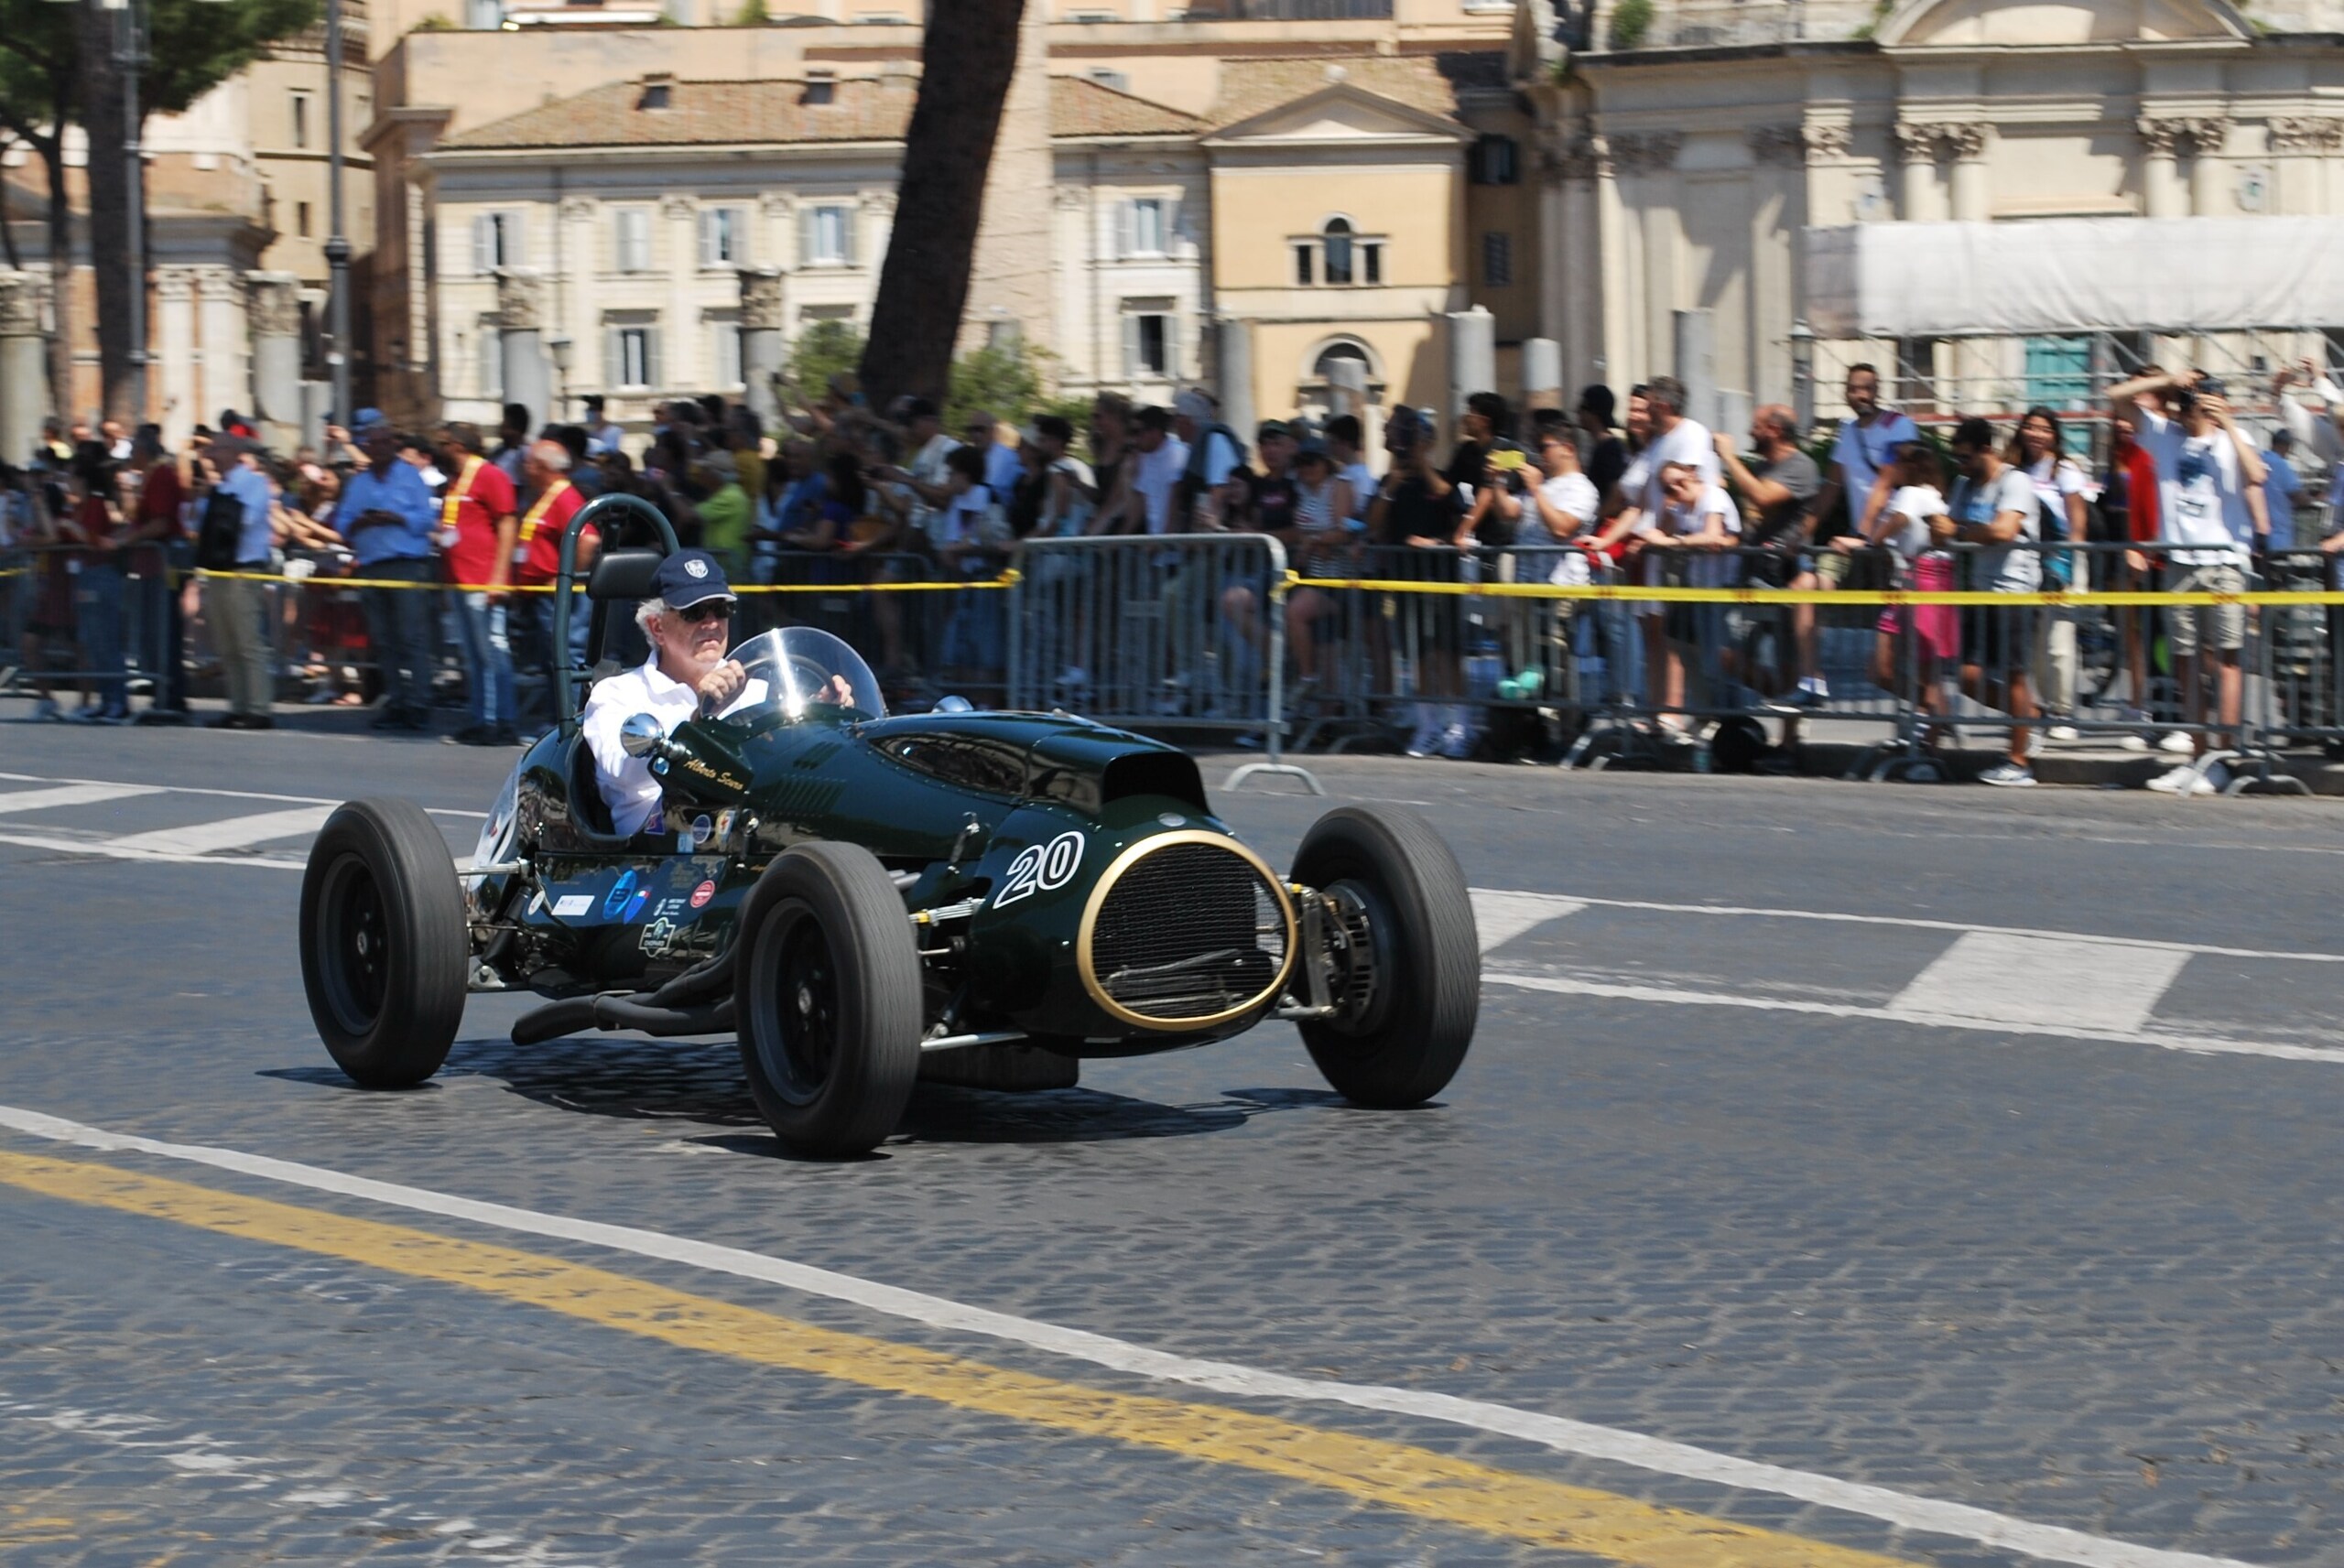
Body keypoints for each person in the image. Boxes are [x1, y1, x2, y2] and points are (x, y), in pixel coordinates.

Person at [2106, 369, 2267, 793]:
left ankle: (2224, 756)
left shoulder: (2235, 439)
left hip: (2224, 561)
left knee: (2228, 659)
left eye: (2192, 399)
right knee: (2186, 659)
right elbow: (2116, 396)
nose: (2184, 407)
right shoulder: (2164, 434)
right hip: (2180, 562)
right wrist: (2163, 380)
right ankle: (2198, 755)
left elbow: (2257, 476)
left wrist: (2226, 421)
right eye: (2183, 399)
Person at [581, 550, 747, 838]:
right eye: (694, 613)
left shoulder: (753, 686)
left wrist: (826, 710)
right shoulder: (616, 694)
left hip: (747, 830)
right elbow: (624, 769)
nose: (711, 623)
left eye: (721, 609)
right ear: (657, 627)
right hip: (656, 853)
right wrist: (697, 719)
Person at [1933, 416, 2043, 787]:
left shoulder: (2015, 481)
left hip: (2014, 589)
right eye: (1956, 460)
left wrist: (1959, 529)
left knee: (2013, 674)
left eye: (1965, 458)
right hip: (1979, 589)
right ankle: (2031, 717)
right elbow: (1948, 528)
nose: (1960, 466)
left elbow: (2003, 530)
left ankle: (2018, 759)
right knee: (1967, 676)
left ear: (1986, 450)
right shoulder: (1964, 485)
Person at [1713, 405, 1823, 708]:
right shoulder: (1760, 469)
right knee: (1729, 656)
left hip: (1786, 575)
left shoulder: (1801, 466)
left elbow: (1762, 496)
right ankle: (1780, 699)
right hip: (1753, 576)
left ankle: (1788, 745)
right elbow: (1754, 512)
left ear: (1774, 430)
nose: (1751, 432)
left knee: (1789, 663)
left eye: (1756, 426)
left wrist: (1728, 456)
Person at [336, 422, 442, 732]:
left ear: (393, 446)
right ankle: (396, 701)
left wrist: (396, 517)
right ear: (367, 447)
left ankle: (420, 703)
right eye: (374, 443)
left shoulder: (410, 477)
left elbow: (426, 520)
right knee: (384, 641)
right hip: (371, 565)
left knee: (412, 638)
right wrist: (360, 523)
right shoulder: (359, 483)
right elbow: (341, 522)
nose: (379, 448)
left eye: (385, 443)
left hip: (407, 566)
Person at [1847, 443, 1955, 740]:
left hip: (1924, 582)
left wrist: (1866, 543)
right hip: (1913, 582)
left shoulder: (1913, 493)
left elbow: (1895, 524)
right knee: (1883, 668)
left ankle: (1931, 737)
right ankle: (1935, 717)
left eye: (1893, 463)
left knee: (1922, 667)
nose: (1887, 469)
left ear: (1910, 467)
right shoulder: (1930, 494)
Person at [1634, 460, 1739, 736]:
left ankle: (1728, 718)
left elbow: (1712, 535)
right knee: (1681, 645)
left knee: (1713, 656)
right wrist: (1668, 514)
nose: (1677, 489)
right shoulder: (1681, 504)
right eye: (1669, 487)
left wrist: (1670, 542)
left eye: (1681, 482)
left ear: (1693, 474)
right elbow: (1663, 533)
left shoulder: (1713, 496)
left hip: (1720, 589)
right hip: (1693, 588)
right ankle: (1705, 712)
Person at [435, 422, 520, 746]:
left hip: (482, 579)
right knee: (474, 655)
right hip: (461, 581)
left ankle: (502, 720)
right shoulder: (456, 481)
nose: (439, 449)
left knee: (493, 651)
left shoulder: (490, 475)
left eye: (443, 443)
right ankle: (482, 717)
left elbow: (507, 523)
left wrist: (499, 578)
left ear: (457, 445)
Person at [199, 436, 282, 729]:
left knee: (248, 642)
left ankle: (259, 708)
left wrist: (221, 513)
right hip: (220, 570)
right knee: (227, 643)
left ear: (234, 452)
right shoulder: (219, 488)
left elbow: (244, 520)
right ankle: (238, 705)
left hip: (244, 570)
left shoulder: (253, 483)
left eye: (217, 448)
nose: (211, 454)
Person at [514, 438, 597, 703]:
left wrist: (567, 577)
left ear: (542, 466)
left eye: (529, 462)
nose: (525, 468)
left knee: (566, 656)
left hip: (559, 597)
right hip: (543, 596)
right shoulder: (547, 496)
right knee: (553, 657)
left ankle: (570, 718)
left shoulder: (564, 498)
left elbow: (589, 539)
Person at [1575, 384, 1628, 502]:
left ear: (1594, 412)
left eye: (1583, 407)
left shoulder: (1609, 448)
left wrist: (1597, 517)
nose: (1578, 412)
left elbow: (1616, 493)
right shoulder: (1599, 445)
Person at [2261, 427, 2306, 554]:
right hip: (2279, 535)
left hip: (2258, 533)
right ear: (2286, 446)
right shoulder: (2281, 465)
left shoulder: (2260, 459)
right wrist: (2314, 499)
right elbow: (2298, 496)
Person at [582, 395, 625, 459]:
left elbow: (611, 452)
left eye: (592, 410)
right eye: (587, 410)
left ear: (600, 412)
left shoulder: (614, 431)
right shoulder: (590, 433)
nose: (588, 413)